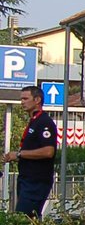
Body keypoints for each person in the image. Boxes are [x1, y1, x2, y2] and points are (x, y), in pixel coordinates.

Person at [5, 85, 57, 218]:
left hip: (36, 181)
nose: (22, 102)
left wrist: (19, 154)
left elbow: (48, 151)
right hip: (26, 178)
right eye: (21, 99)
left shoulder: (44, 122)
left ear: (37, 99)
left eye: (25, 98)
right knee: (28, 218)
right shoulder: (34, 121)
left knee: (25, 217)